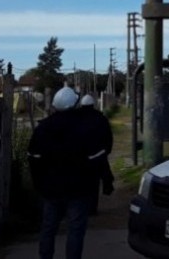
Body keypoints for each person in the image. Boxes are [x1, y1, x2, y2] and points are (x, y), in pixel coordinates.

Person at [27, 86, 109, 259]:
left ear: (55, 105)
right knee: (75, 230)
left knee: (48, 228)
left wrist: (39, 184)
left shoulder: (43, 128)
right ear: (75, 104)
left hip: (50, 189)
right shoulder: (85, 127)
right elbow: (97, 156)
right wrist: (97, 180)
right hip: (79, 189)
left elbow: (33, 157)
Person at [78, 94, 115, 215]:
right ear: (93, 105)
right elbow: (108, 136)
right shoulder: (100, 117)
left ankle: (81, 207)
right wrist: (106, 152)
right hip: (98, 156)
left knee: (81, 183)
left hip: (80, 157)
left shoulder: (76, 117)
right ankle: (92, 209)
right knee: (94, 184)